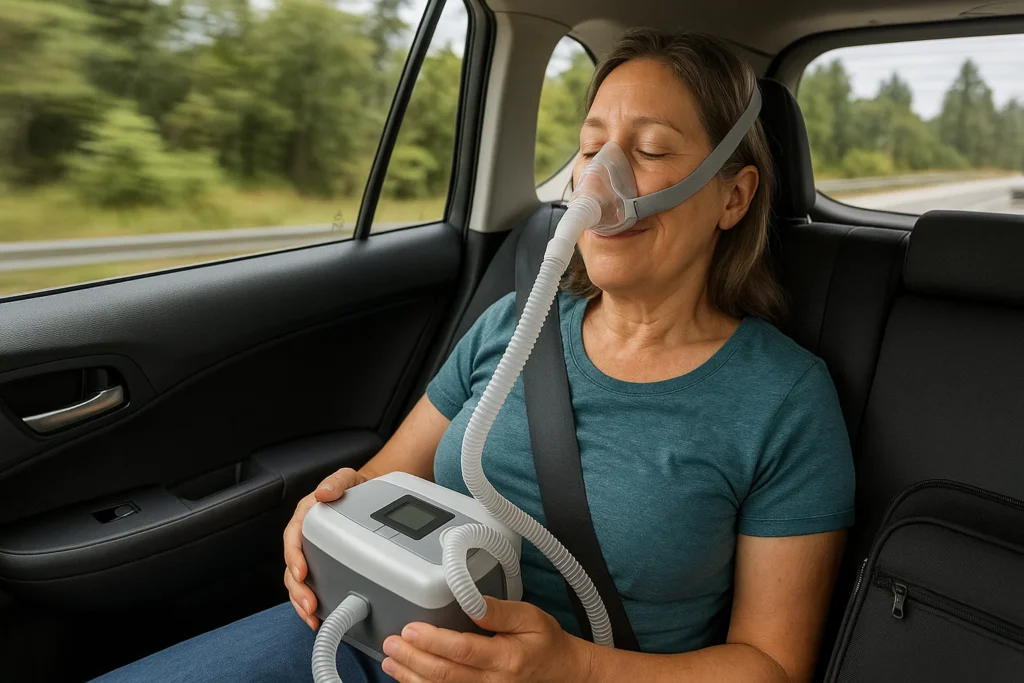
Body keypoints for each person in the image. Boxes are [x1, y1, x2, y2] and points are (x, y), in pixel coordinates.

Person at [92, 28, 854, 683]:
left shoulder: (783, 401)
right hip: (378, 643)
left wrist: (574, 668)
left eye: (649, 150)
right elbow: (386, 478)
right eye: (591, 148)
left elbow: (771, 666)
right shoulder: (513, 325)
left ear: (733, 195)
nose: (602, 178)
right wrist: (324, 517)